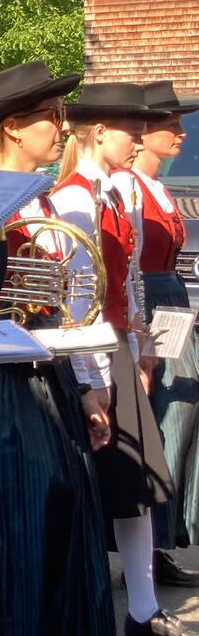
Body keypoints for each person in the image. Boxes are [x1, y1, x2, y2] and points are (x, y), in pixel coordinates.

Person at [0, 61, 116, 636]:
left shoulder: (45, 199)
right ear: (14, 128)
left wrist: (88, 384)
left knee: (64, 503)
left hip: (49, 370)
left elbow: (71, 303)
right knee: (20, 512)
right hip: (1, 383)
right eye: (50, 116)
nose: (61, 127)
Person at [54, 82, 199, 636]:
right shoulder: (74, 196)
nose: (139, 140)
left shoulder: (113, 192)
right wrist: (93, 372)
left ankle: (142, 608)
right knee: (104, 481)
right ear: (98, 132)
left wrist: (138, 344)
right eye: (130, 131)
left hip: (114, 344)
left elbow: (128, 279)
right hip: (91, 347)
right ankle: (110, 605)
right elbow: (76, 293)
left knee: (134, 480)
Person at [112, 80, 199, 586]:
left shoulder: (158, 189)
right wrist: (141, 332)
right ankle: (149, 545)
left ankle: (166, 537)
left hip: (170, 302)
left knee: (181, 411)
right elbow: (128, 267)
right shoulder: (127, 187)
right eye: (171, 124)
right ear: (144, 133)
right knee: (164, 416)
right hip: (148, 302)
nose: (181, 133)